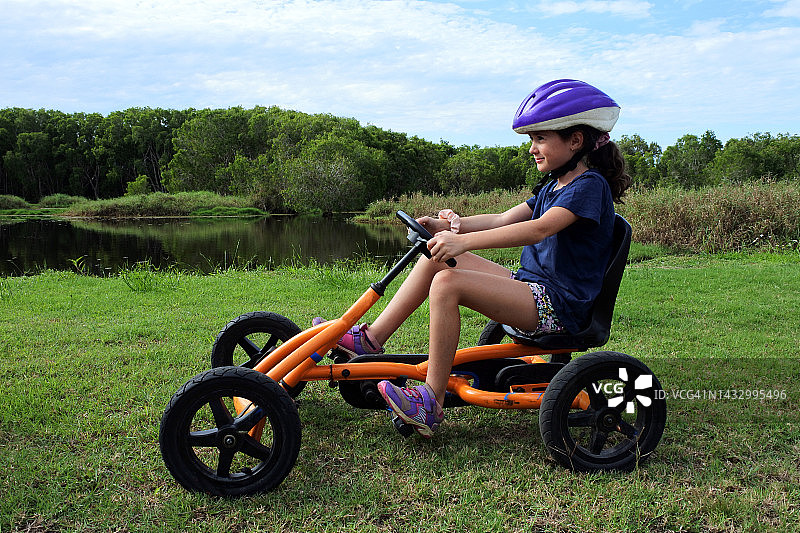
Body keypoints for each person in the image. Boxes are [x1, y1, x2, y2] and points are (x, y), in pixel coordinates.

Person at [320, 79, 631, 437]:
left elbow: (538, 230)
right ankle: (370, 340)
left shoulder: (589, 187)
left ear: (575, 141)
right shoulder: (554, 186)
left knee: (448, 284)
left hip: (558, 306)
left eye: (540, 138)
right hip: (532, 288)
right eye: (532, 140)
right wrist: (449, 227)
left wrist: (464, 245)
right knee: (433, 257)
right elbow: (501, 220)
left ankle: (430, 403)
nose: (532, 149)